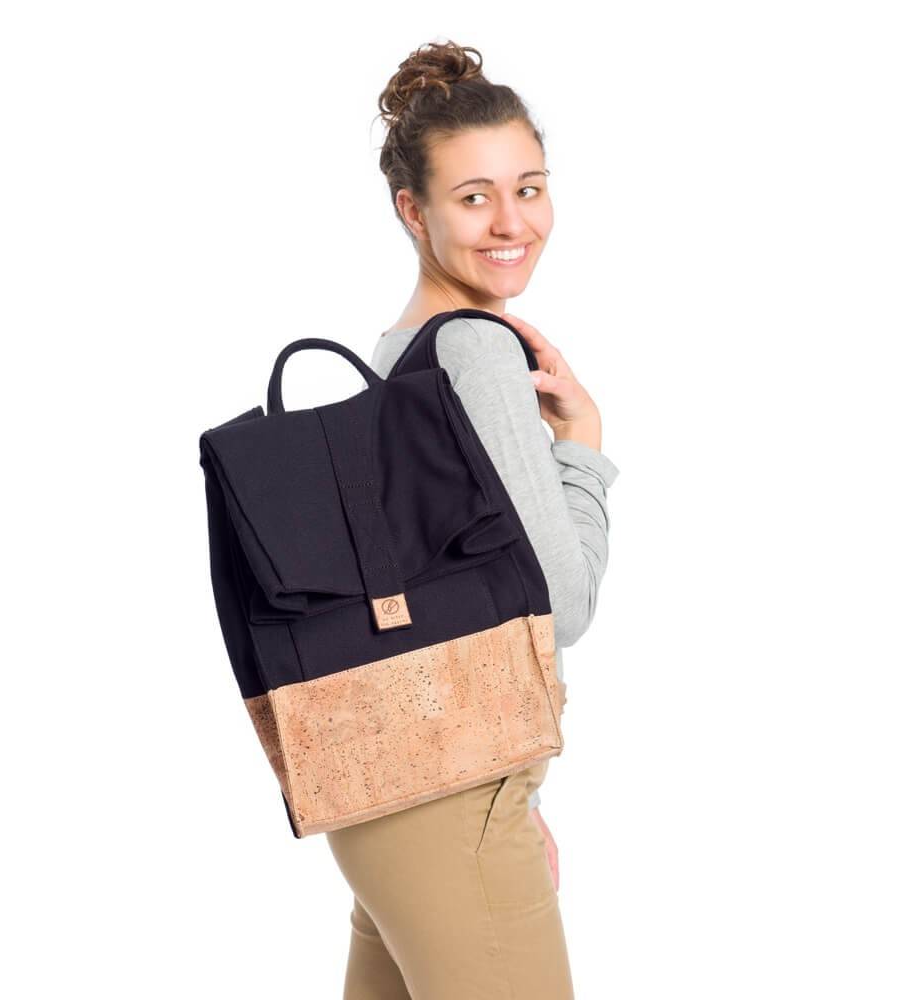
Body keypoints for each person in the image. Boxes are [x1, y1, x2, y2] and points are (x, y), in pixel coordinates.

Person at [324, 39, 620, 999]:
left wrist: (511, 800)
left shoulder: (396, 352)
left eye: (528, 189)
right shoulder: (480, 353)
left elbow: (443, 608)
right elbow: (560, 604)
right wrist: (583, 444)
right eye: (473, 197)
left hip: (391, 803)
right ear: (412, 210)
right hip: (452, 806)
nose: (511, 222)